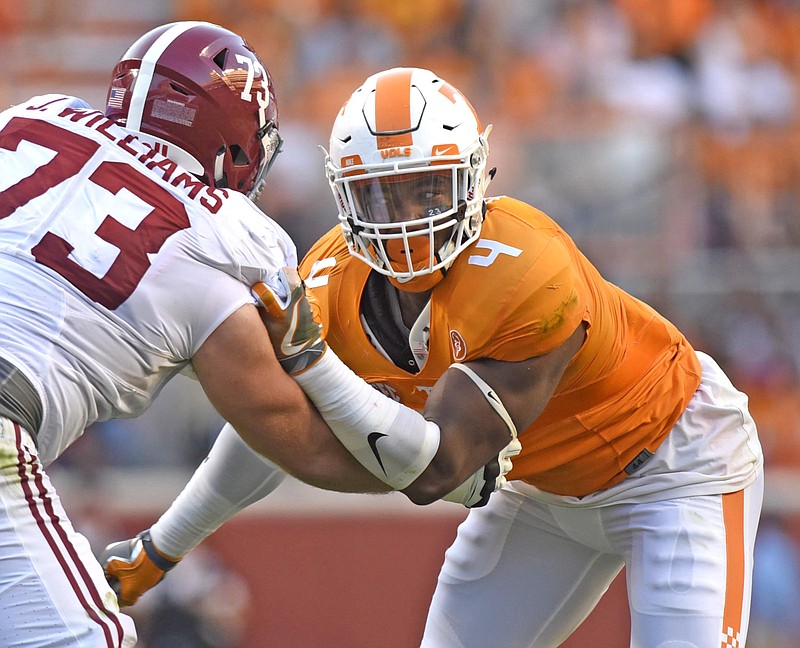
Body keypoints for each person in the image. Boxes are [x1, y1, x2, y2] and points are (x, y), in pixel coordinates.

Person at [104, 67, 764, 647]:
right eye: (383, 194)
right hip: (540, 492)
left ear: (475, 175)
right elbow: (266, 426)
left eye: (428, 188)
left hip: (674, 467)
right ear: (344, 197)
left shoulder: (529, 268)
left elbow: (439, 467)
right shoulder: (330, 275)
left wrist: (312, 363)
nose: (407, 219)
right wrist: (164, 548)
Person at [0, 21, 415, 647]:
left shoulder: (33, 117)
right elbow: (292, 437)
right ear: (236, 140)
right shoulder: (229, 240)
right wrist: (426, 470)